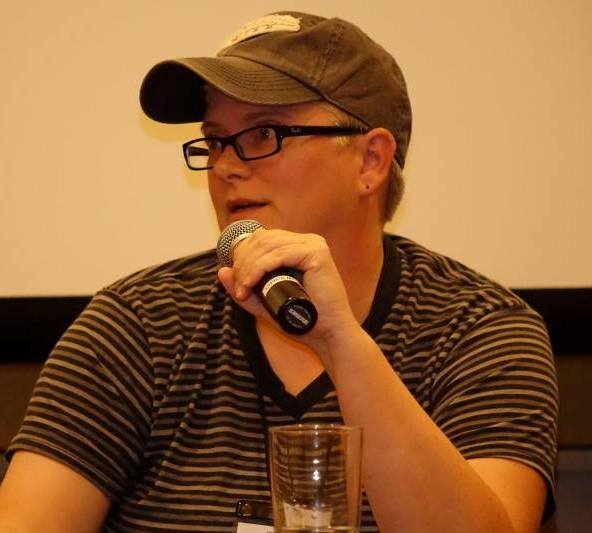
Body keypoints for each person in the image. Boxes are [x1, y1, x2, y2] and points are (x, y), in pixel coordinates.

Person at [0, 11, 557, 533]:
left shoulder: (479, 330)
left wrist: (340, 342)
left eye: (265, 134)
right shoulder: (140, 325)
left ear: (370, 161)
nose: (225, 165)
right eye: (215, 140)